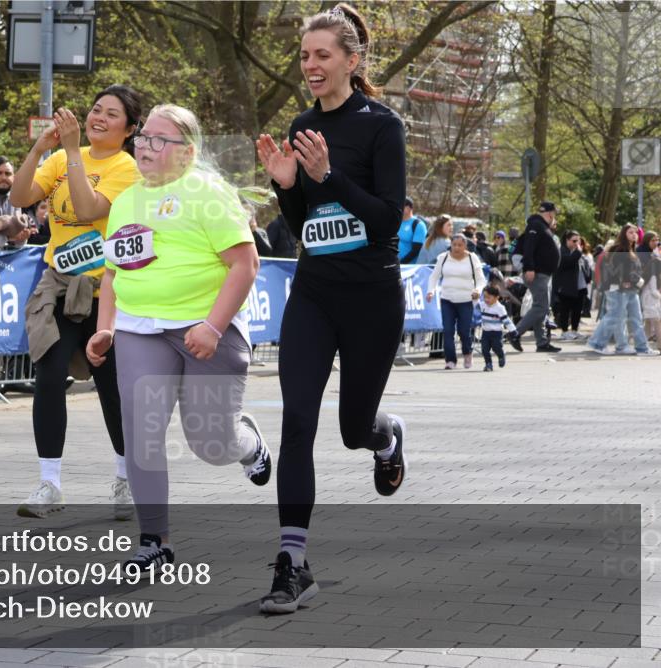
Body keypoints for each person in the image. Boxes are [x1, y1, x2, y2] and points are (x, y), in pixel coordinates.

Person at [255, 3, 407, 614]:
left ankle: (385, 436)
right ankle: (293, 563)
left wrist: (329, 175)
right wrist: (287, 186)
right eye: (304, 56)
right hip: (314, 295)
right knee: (297, 422)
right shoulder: (299, 123)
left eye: (322, 55)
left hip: (370, 297)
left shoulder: (381, 125)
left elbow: (387, 221)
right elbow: (302, 228)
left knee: (351, 431)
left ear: (351, 59)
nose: (310, 66)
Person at [86, 103, 269, 570]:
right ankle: (155, 541)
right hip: (139, 328)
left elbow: (246, 266)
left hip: (206, 329)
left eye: (157, 140)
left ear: (186, 153)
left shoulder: (207, 194)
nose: (144, 147)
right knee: (141, 434)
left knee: (211, 443)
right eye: (142, 137)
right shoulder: (127, 198)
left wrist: (211, 326)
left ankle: (248, 445)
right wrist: (106, 326)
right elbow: (112, 273)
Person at [9, 85, 143, 519]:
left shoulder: (127, 168)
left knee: (113, 391)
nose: (98, 118)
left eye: (111, 114)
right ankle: (50, 484)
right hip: (60, 287)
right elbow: (20, 196)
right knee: (48, 377)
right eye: (95, 109)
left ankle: (126, 479)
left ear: (130, 128)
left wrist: (69, 154)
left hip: (107, 293)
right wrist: (40, 148)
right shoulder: (64, 155)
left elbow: (87, 209)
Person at [587, 224, 659, 356]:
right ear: (624, 233)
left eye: (635, 232)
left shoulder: (631, 249)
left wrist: (635, 280)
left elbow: (630, 270)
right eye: (630, 232)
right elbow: (612, 269)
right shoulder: (618, 248)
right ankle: (597, 343)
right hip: (618, 290)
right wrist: (627, 281)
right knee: (614, 317)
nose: (634, 235)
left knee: (635, 318)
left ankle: (640, 348)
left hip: (630, 289)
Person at [507, 202, 561, 353]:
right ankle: (515, 333)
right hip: (537, 272)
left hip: (541, 273)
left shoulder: (540, 226)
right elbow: (529, 248)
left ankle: (542, 342)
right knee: (541, 307)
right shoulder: (536, 225)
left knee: (540, 306)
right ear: (550, 214)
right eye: (554, 214)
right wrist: (529, 267)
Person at [426, 233, 486, 369]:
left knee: (463, 331)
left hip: (466, 300)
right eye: (454, 245)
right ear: (450, 245)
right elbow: (434, 276)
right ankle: (450, 360)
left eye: (460, 245)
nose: (457, 248)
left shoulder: (472, 258)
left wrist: (478, 290)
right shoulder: (443, 257)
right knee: (447, 330)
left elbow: (481, 279)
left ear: (465, 245)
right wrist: (431, 290)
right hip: (447, 299)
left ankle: (467, 353)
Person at [553, 230, 591, 340]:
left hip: (580, 286)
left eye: (578, 241)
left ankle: (575, 330)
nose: (577, 243)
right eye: (574, 241)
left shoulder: (578, 252)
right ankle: (564, 331)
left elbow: (584, 266)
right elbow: (567, 262)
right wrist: (578, 253)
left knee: (577, 310)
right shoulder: (562, 251)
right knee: (565, 309)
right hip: (566, 287)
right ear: (567, 240)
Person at [478, 284, 516, 371]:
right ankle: (488, 364)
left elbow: (506, 320)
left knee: (496, 347)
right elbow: (474, 304)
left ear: (496, 297)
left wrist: (513, 330)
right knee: (484, 349)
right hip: (486, 332)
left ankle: (501, 355)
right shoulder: (482, 305)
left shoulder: (500, 308)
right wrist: (473, 298)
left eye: (489, 297)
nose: (486, 299)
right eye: (484, 297)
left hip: (496, 333)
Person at [638, 232, 661, 343]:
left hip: (648, 288)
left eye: (657, 240)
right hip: (644, 288)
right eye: (653, 240)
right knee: (655, 319)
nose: (656, 242)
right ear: (647, 241)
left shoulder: (652, 253)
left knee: (648, 319)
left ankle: (643, 343)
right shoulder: (642, 252)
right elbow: (645, 272)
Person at [398, 196, 426, 264]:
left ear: (408, 208)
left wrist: (401, 263)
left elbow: (416, 250)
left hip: (409, 268)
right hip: (394, 265)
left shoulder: (418, 225)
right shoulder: (397, 222)